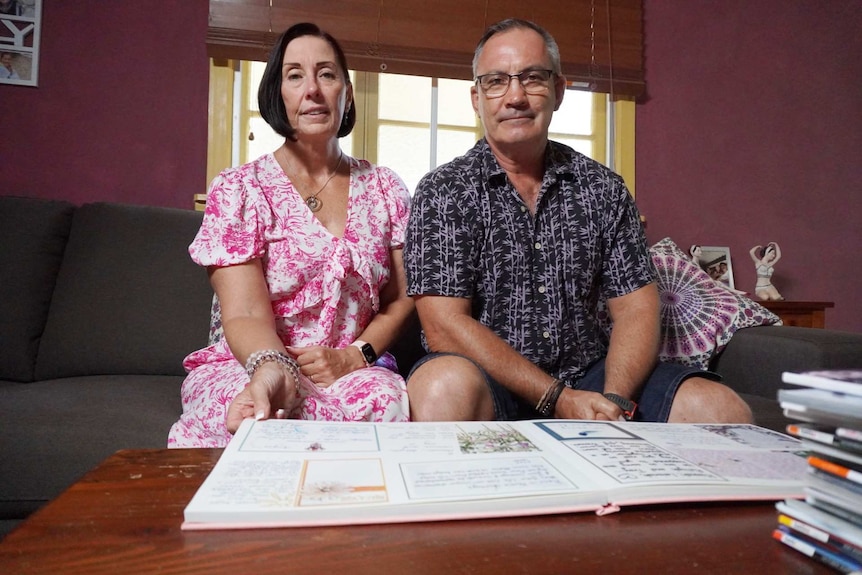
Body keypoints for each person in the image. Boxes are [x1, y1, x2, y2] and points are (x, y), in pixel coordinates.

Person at [403, 19, 752, 424]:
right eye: (496, 81)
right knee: (441, 386)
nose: (515, 96)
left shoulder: (602, 188)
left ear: (559, 91)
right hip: (488, 380)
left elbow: (636, 307)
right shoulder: (443, 190)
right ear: (476, 98)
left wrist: (613, 402)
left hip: (591, 376)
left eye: (533, 78)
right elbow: (444, 325)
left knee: (721, 408)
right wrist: (559, 398)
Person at [169, 23, 414, 448]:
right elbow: (244, 313)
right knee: (260, 415)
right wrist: (272, 368)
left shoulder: (385, 188)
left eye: (327, 73)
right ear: (276, 95)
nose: (313, 89)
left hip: (351, 370)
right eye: (295, 75)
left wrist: (356, 355)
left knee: (389, 401)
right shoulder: (239, 189)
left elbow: (402, 298)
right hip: (250, 362)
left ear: (347, 92)